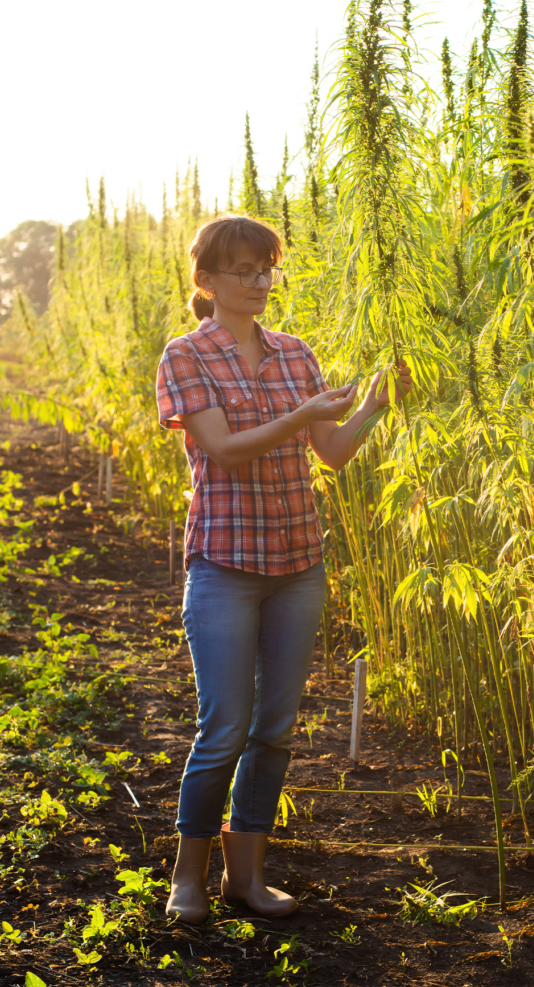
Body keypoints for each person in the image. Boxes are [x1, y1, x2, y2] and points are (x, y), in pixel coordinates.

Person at [155, 214, 411, 924]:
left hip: (298, 563)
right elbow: (223, 449)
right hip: (225, 563)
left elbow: (331, 451)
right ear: (207, 280)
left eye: (266, 267)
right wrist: (301, 417)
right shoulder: (186, 355)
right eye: (243, 270)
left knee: (275, 727)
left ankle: (249, 877)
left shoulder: (296, 353)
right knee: (224, 726)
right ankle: (188, 876)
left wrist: (372, 408)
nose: (259, 281)